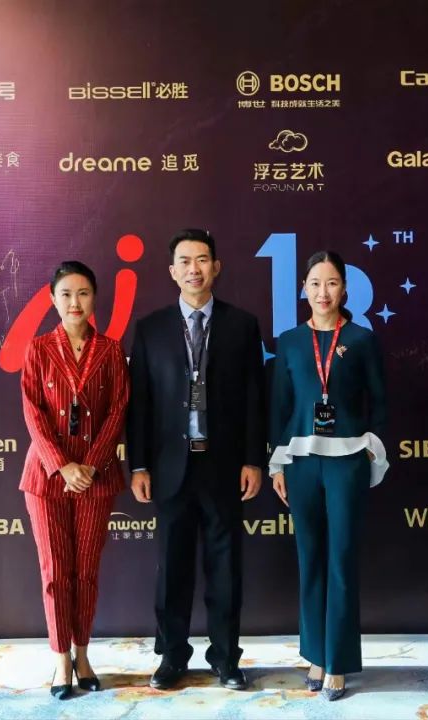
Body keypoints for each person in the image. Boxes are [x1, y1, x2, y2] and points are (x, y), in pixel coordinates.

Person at [126, 229, 266, 690]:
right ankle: (172, 656)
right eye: (185, 261)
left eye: (202, 260)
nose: (194, 269)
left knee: (225, 569)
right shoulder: (150, 329)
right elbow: (139, 404)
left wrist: (253, 459)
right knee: (173, 568)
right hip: (170, 466)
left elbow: (254, 398)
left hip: (223, 464)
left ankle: (226, 657)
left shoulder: (242, 325)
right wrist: (139, 465)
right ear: (172, 271)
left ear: (216, 267)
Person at [268, 250, 389, 701]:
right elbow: (280, 408)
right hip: (300, 463)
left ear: (345, 289)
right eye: (315, 283)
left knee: (341, 560)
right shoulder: (290, 341)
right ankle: (315, 655)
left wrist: (371, 447)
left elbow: (380, 400)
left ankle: (337, 661)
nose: (323, 292)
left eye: (332, 283)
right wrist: (277, 463)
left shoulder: (361, 339)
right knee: (310, 560)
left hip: (346, 463)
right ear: (304, 288)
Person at [19, 261, 130, 700]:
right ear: (53, 299)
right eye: (65, 294)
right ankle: (60, 659)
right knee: (54, 572)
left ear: (94, 298)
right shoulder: (38, 348)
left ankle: (82, 654)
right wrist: (63, 465)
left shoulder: (111, 350)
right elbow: (33, 412)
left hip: (95, 479)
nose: (74, 302)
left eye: (83, 293)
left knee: (85, 572)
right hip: (46, 478)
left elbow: (118, 411)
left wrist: (90, 466)